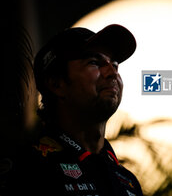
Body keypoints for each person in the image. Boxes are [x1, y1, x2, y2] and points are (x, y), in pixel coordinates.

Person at [2, 24, 143, 196]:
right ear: (56, 84)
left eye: (114, 64)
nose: (112, 72)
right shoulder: (26, 169)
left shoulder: (128, 181)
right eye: (94, 62)